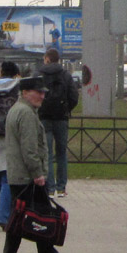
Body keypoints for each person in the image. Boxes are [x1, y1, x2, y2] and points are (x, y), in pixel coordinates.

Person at [1, 75, 75, 253]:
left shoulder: (19, 110)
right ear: (25, 93)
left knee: (22, 217)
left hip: (19, 175)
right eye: (39, 92)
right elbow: (29, 148)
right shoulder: (25, 114)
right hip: (28, 177)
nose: (43, 96)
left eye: (44, 92)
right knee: (37, 216)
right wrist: (38, 173)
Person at [36, 47, 79, 197]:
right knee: (61, 153)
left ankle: (49, 188)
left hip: (44, 117)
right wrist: (66, 109)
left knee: (46, 153)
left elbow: (35, 95)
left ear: (47, 58)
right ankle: (61, 188)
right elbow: (74, 96)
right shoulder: (66, 75)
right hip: (61, 118)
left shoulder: (40, 75)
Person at [0, 61, 21, 230]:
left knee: (1, 176)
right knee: (9, 178)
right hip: (10, 135)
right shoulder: (17, 87)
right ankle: (4, 217)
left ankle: (5, 211)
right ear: (15, 72)